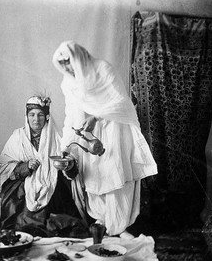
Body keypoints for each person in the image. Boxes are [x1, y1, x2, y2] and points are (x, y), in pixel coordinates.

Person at [52, 41, 158, 238]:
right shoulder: (68, 83)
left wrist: (95, 117)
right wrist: (66, 146)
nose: (67, 67)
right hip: (91, 135)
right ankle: (102, 221)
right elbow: (72, 115)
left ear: (78, 57)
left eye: (69, 61)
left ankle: (120, 226)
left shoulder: (103, 69)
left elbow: (121, 102)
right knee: (95, 177)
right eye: (62, 63)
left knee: (116, 175)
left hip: (114, 129)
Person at [0, 94, 90, 237]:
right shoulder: (18, 136)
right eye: (32, 115)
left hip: (54, 183)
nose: (36, 119)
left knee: (62, 216)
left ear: (47, 117)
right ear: (27, 116)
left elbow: (74, 166)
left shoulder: (58, 137)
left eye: (40, 115)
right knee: (17, 213)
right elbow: (2, 166)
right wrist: (25, 167)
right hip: (24, 184)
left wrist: (68, 165)